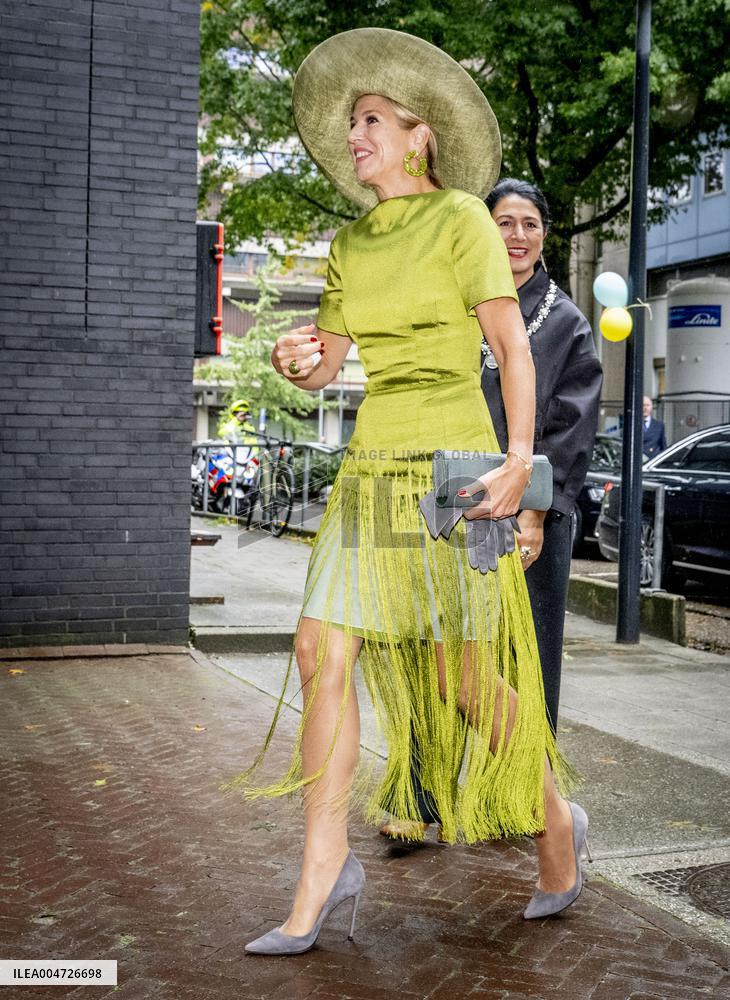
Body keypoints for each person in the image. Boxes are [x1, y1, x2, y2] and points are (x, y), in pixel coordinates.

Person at [231, 28, 588, 957]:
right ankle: (320, 871)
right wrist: (295, 360)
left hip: (455, 476)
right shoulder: (352, 241)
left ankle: (556, 824)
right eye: (353, 124)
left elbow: (512, 349)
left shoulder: (466, 220)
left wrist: (517, 461)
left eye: (372, 121)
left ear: (419, 135)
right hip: (371, 469)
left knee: (465, 680)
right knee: (320, 651)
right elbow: (331, 366)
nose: (355, 138)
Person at [381, 178, 603, 842]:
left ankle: (525, 801)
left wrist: (534, 510)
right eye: (503, 222)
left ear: (544, 234)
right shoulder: (458, 298)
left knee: (522, 659)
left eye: (529, 223)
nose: (516, 236)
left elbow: (571, 426)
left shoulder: (564, 321)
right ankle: (419, 798)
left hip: (530, 508)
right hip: (452, 499)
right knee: (436, 650)